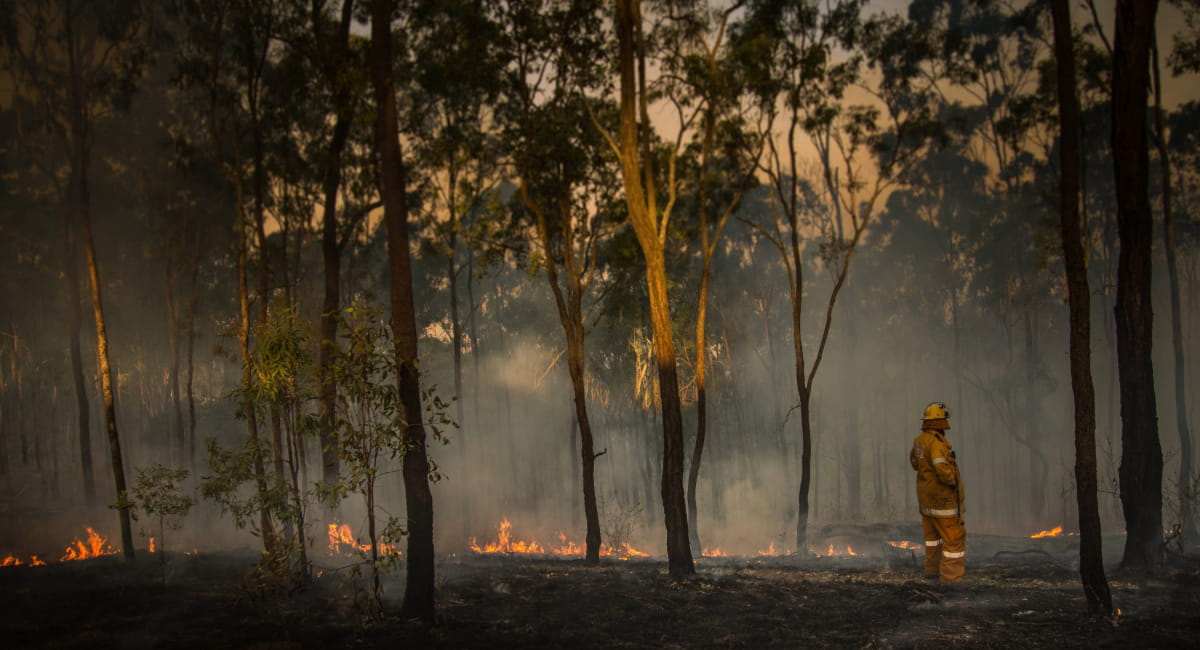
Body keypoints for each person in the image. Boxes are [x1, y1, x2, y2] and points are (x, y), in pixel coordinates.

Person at [909, 401, 965, 584]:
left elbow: (915, 463)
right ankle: (951, 579)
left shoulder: (919, 440)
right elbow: (942, 468)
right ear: (940, 421)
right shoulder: (937, 443)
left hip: (927, 500)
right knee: (953, 541)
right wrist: (952, 481)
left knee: (933, 540)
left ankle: (932, 572)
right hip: (943, 502)